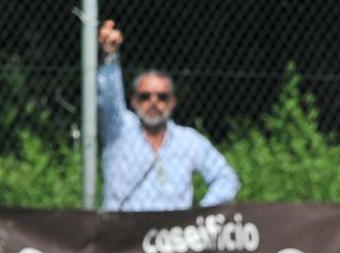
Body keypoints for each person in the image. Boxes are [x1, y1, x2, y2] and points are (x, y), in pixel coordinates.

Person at [96, 19, 239, 211]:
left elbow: (226, 178)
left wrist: (200, 216)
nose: (153, 102)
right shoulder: (119, 130)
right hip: (123, 228)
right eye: (145, 96)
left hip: (173, 230)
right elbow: (108, 98)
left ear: (173, 102)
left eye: (162, 97)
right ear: (134, 101)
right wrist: (109, 56)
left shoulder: (189, 141)